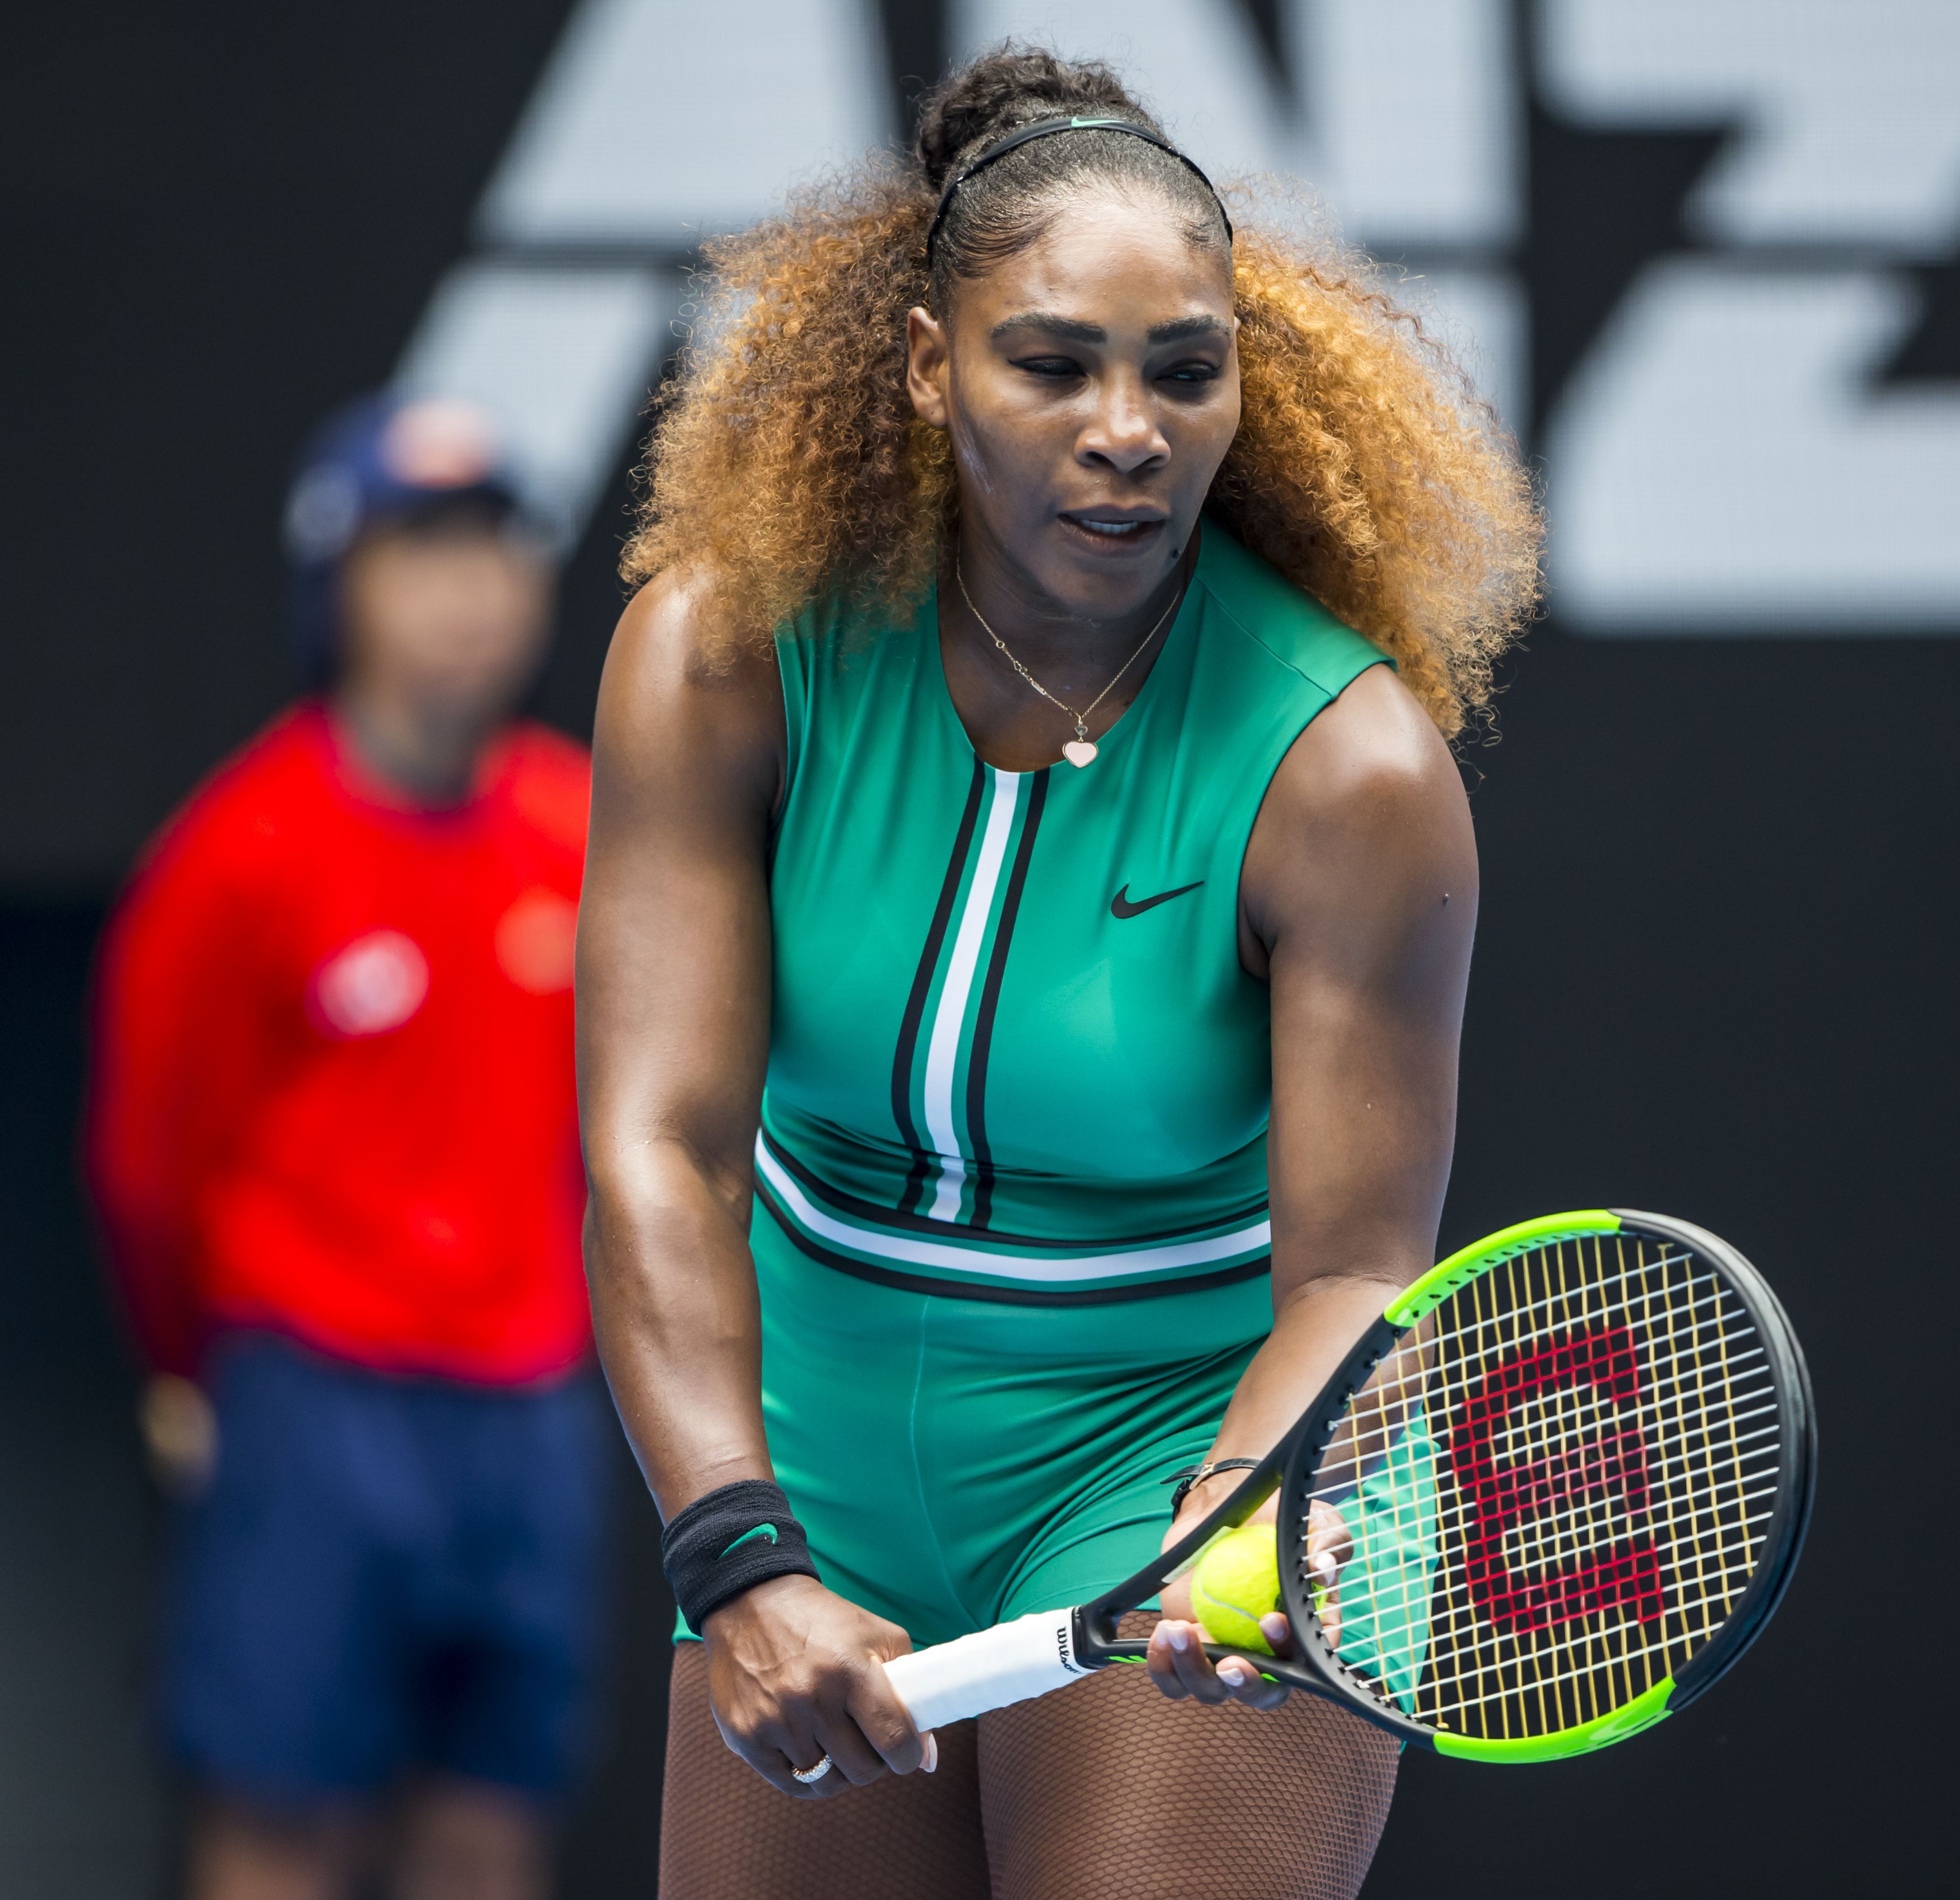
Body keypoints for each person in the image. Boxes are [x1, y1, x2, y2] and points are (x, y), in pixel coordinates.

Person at [578, 43, 1540, 1899]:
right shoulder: (721, 651)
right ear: (934, 367)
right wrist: (735, 1550)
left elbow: (1351, 1264)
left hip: (1191, 1441)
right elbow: (661, 1150)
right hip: (813, 1461)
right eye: (1056, 363)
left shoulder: (1352, 773)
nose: (1131, 425)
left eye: (1188, 368)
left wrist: (1242, 1513)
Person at [88, 393, 604, 1900]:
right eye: (419, 552)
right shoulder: (238, 851)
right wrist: (202, 1373)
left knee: (491, 1827)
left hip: (528, 1410)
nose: (465, 593)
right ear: (341, 586)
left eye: (494, 551)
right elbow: (146, 1169)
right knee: (278, 1827)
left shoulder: (587, 831)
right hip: (314, 1404)